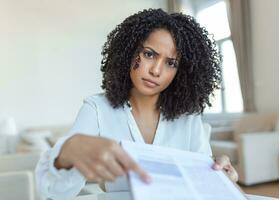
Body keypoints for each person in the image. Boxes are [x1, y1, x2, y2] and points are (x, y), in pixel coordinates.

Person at [35, 8, 238, 200]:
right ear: (129, 52)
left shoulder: (188, 116)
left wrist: (220, 177)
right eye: (149, 54)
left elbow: (203, 187)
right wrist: (65, 154)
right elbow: (55, 194)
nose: (156, 71)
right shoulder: (97, 109)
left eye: (171, 63)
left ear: (181, 72)